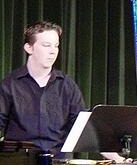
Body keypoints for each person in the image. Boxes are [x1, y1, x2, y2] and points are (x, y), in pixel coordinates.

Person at [0, 21, 85, 157]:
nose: (53, 51)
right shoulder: (9, 85)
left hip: (58, 164)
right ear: (29, 48)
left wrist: (115, 157)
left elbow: (83, 127)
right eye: (46, 45)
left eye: (56, 46)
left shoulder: (67, 85)